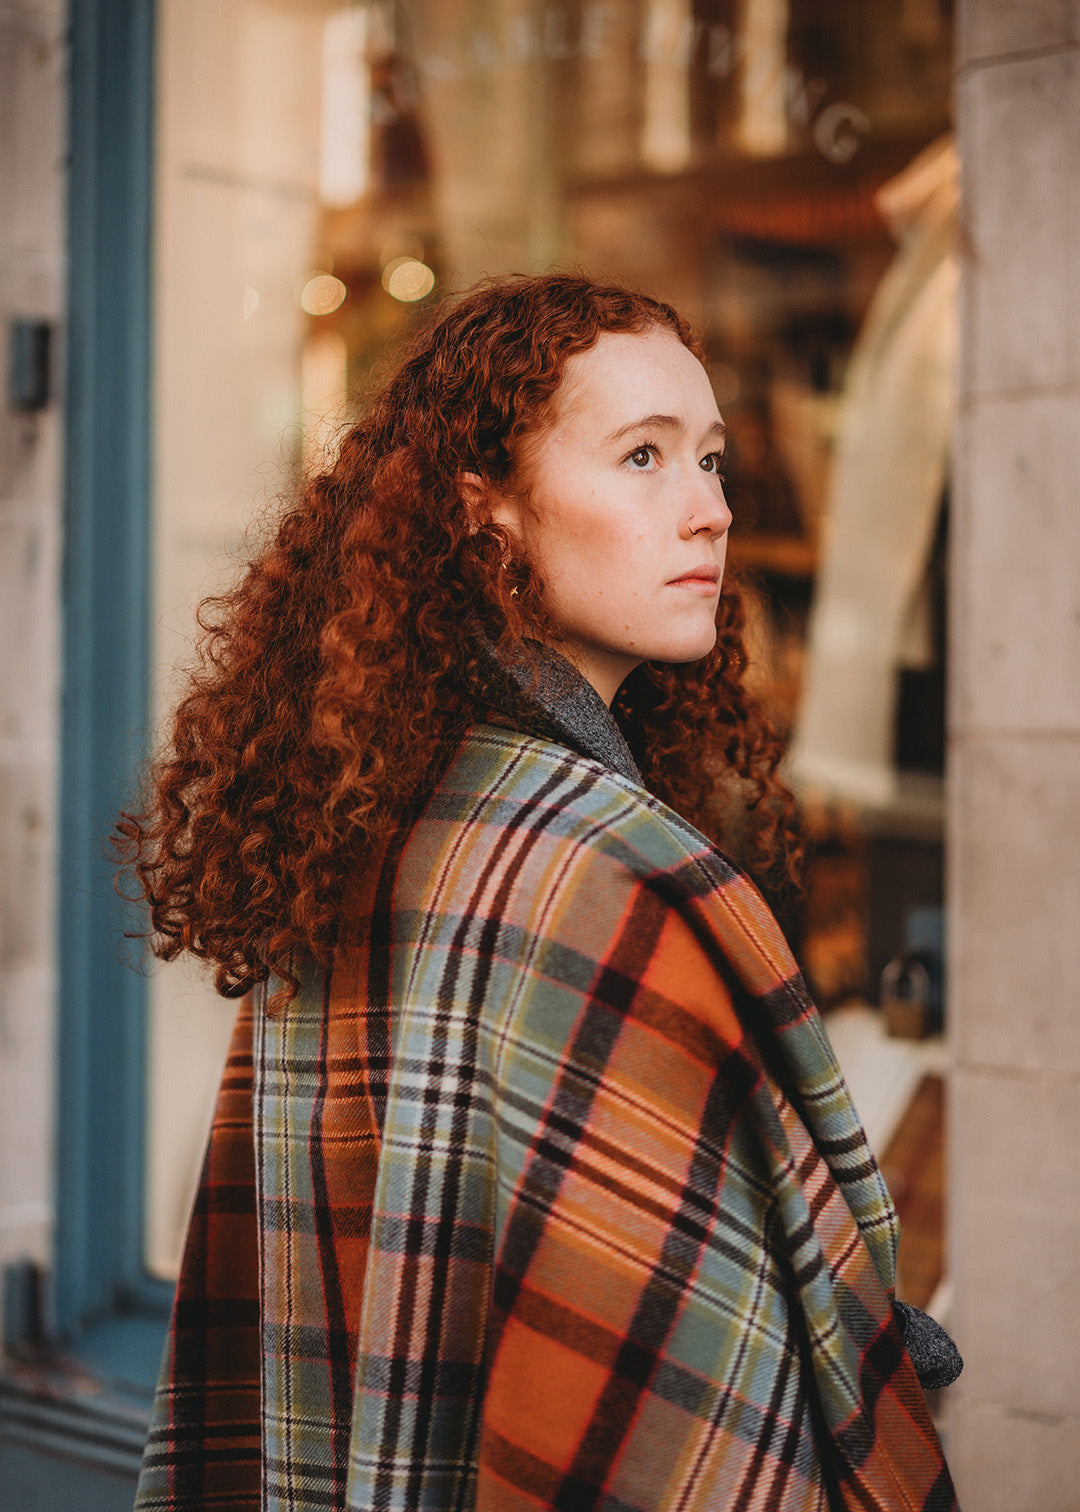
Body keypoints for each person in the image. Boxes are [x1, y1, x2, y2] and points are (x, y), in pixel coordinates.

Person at [120, 273, 960, 1512]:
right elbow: (704, 1396)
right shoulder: (604, 876)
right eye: (641, 457)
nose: (710, 512)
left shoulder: (376, 808)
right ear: (489, 516)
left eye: (713, 461)